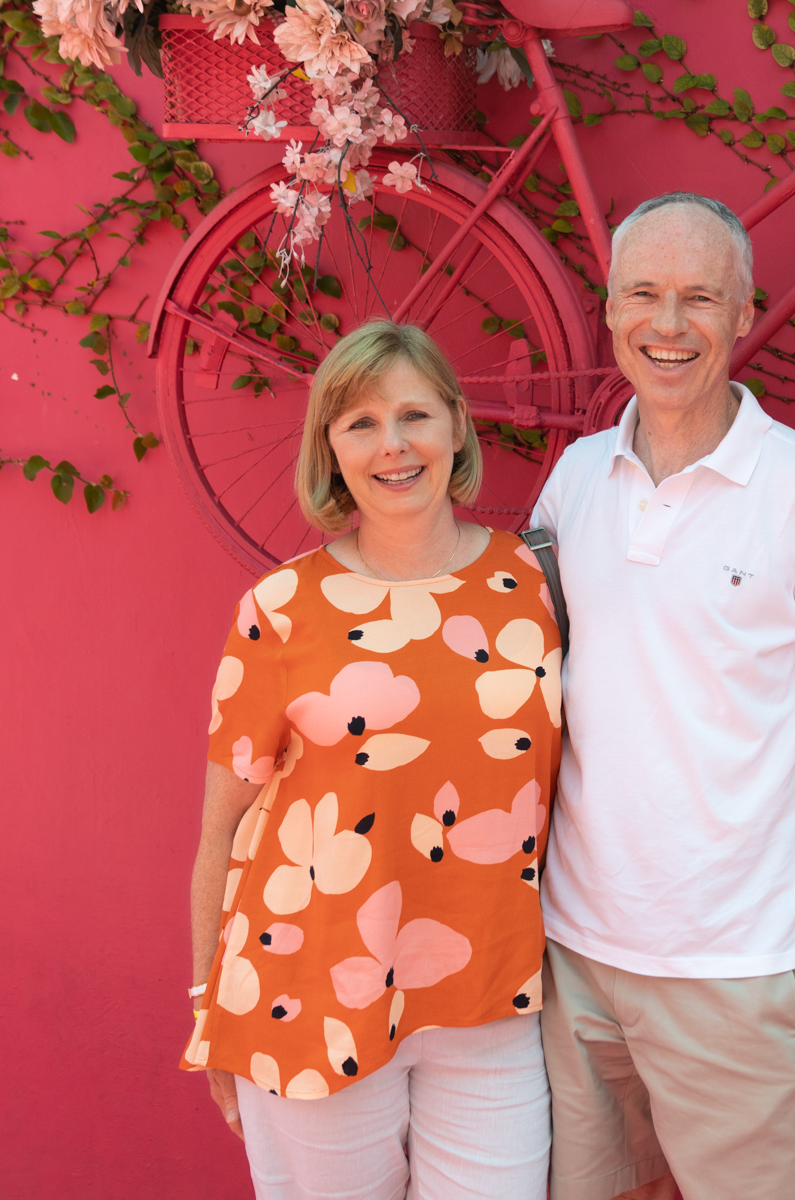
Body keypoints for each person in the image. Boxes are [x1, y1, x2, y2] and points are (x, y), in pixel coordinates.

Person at [532, 192, 795, 1200]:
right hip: (576, 955)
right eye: (644, 295)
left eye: (700, 298)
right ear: (609, 309)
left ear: (745, 314)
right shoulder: (572, 482)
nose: (668, 325)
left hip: (738, 965)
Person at [182, 320, 562, 1200]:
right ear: (331, 449)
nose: (393, 445)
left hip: (492, 998)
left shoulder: (533, 587)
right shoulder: (279, 608)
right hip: (312, 990)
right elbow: (222, 831)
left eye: (414, 415)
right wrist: (210, 1008)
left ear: (459, 427)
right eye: (360, 423)